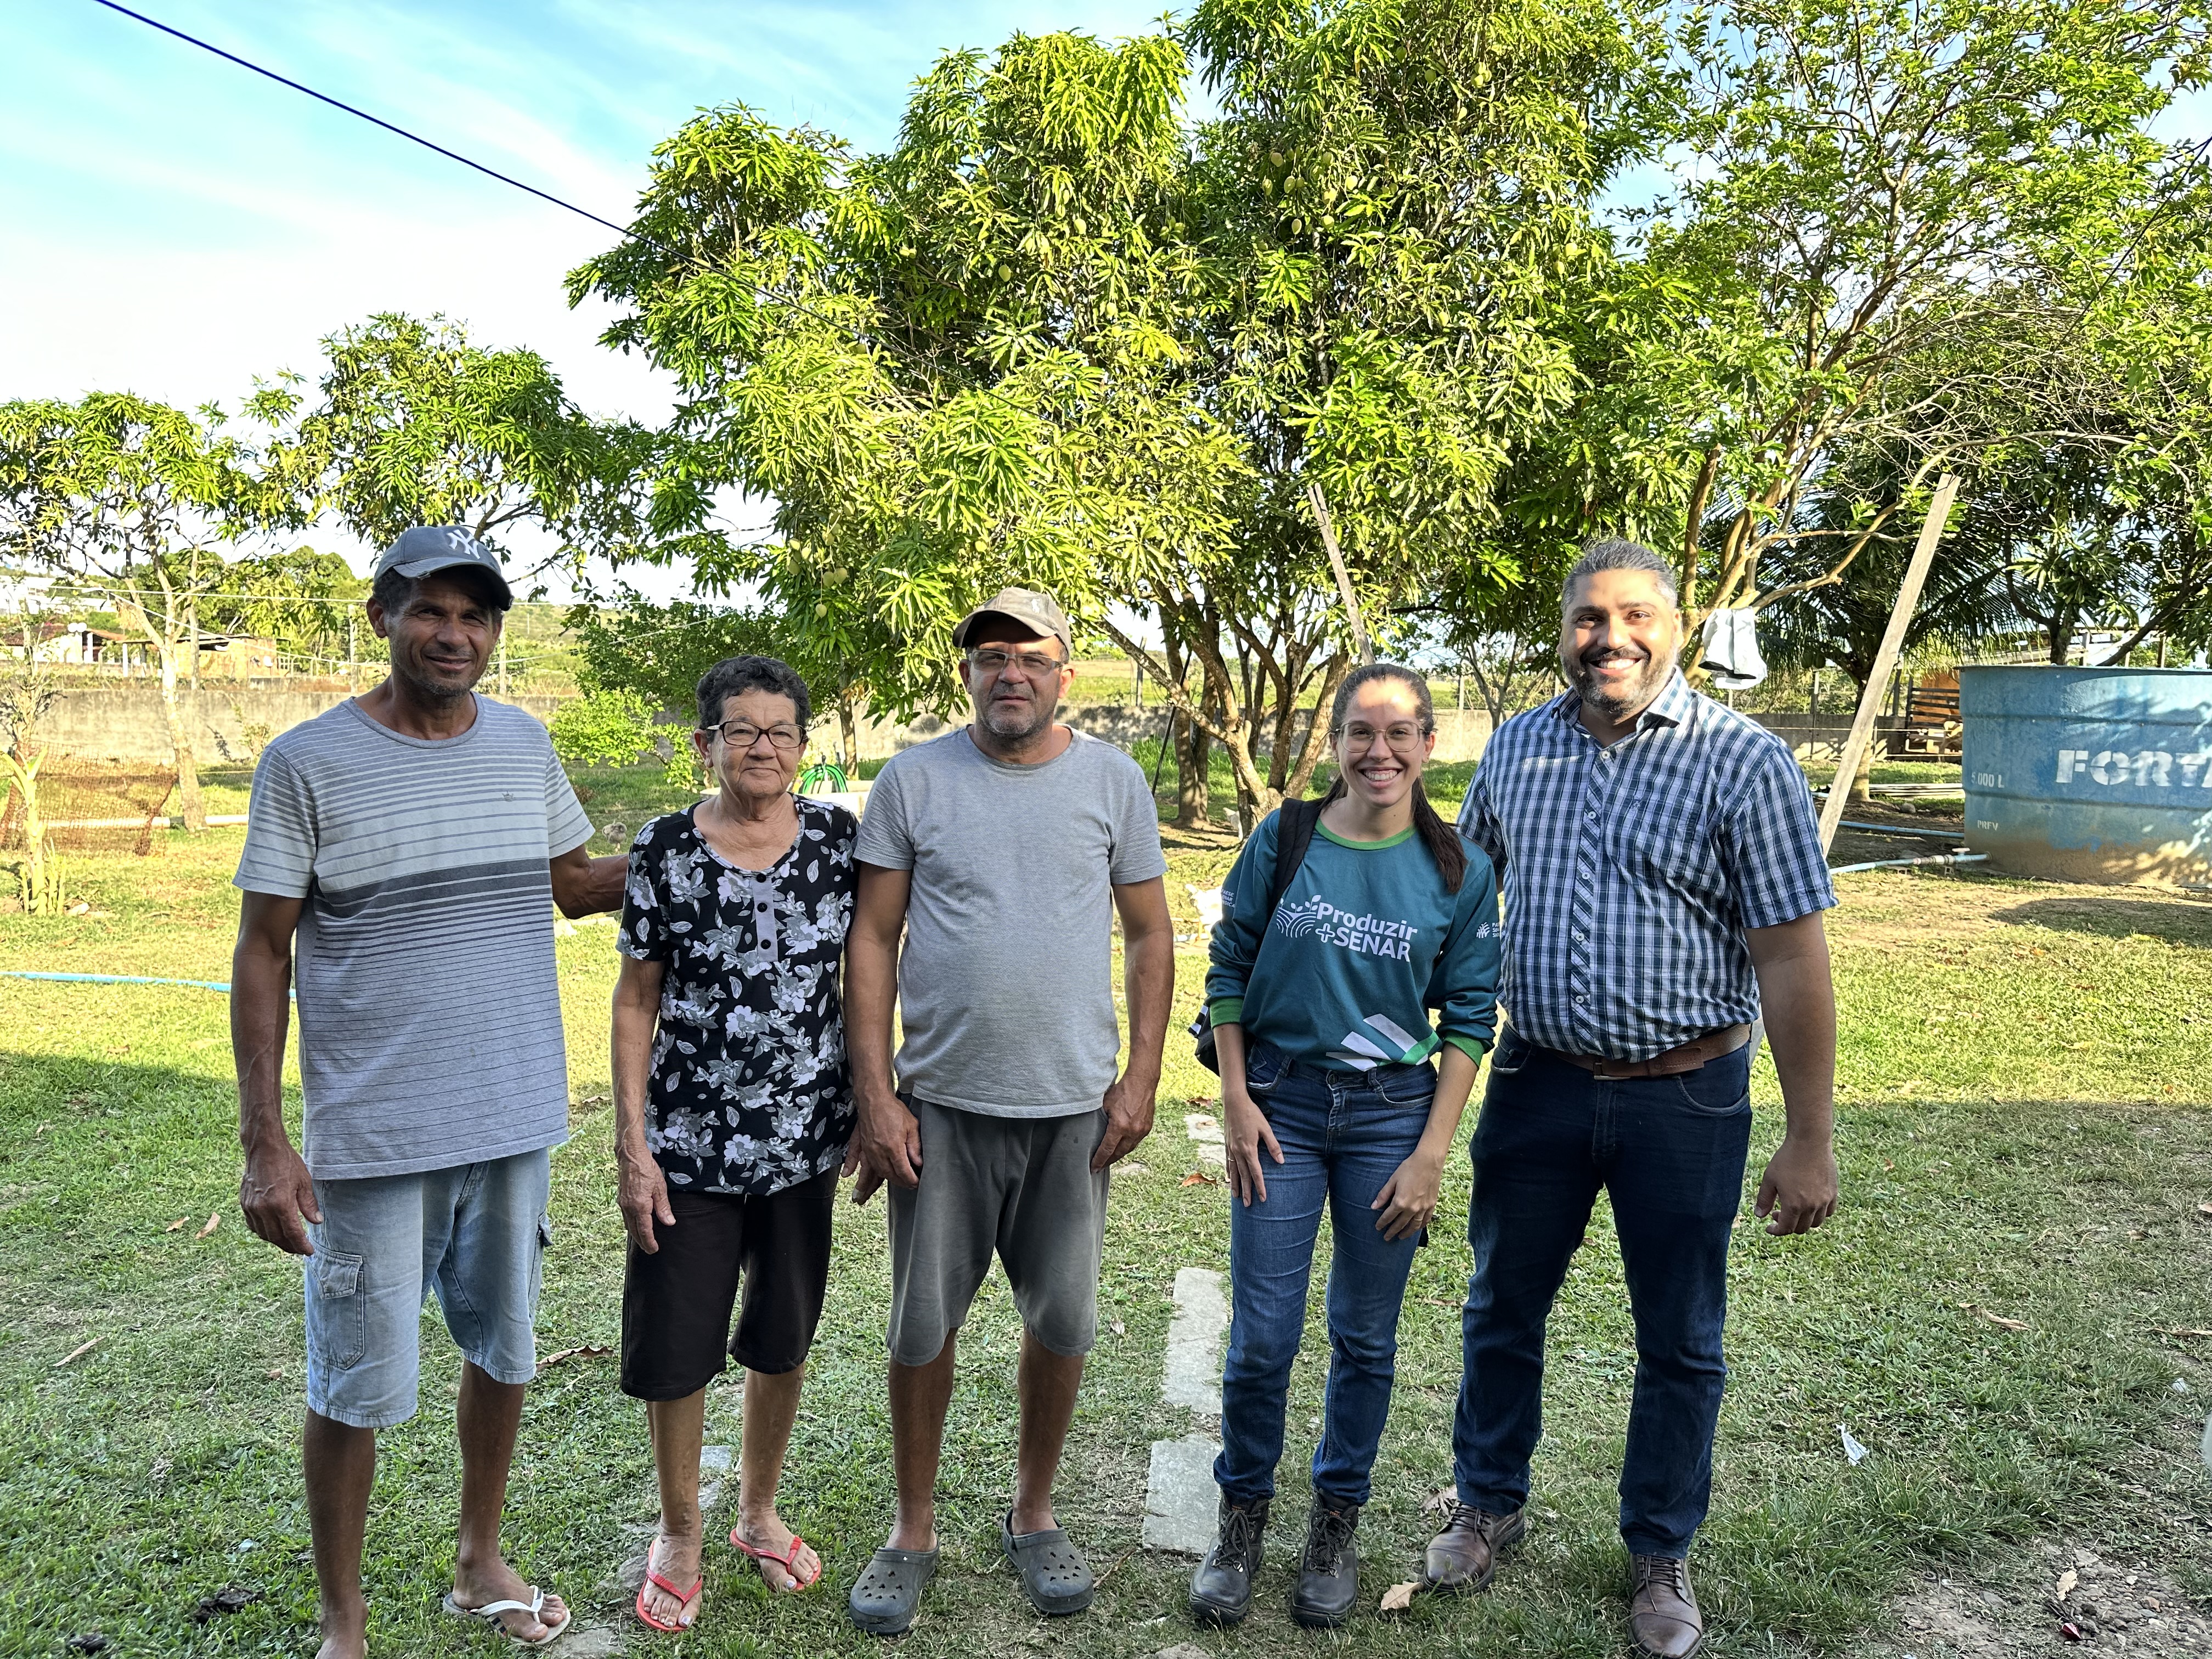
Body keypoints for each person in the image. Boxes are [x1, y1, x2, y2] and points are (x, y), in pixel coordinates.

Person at [1429, 538, 1840, 1659]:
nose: (1609, 637)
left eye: (1634, 616)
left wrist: (1811, 1138)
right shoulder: (1518, 750)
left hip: (1688, 1097)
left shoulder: (1743, 762)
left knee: (1682, 1338)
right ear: (1563, 632)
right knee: (1501, 1307)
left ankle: (1660, 1551)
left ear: (1678, 626)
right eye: (1587, 618)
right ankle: (1486, 1502)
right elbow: (1459, 912)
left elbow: (1795, 962)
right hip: (1537, 1087)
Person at [230, 526, 627, 1658]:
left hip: (512, 1118)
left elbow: (572, 885)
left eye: (476, 615)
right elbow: (263, 951)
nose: (455, 634)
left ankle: (477, 1559)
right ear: (382, 618)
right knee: (355, 1380)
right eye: (431, 611)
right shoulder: (307, 763)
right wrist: (266, 1142)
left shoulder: (521, 745)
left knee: (503, 1349)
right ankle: (343, 1622)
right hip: (376, 1135)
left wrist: (718, 842)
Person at [840, 586, 1175, 1637]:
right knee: (923, 1325)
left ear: (1065, 673)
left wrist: (1142, 1079)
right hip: (940, 1109)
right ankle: (913, 1527)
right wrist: (877, 1092)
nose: (1010, 674)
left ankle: (1034, 1513)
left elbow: (1151, 937)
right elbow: (873, 940)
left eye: (1029, 657)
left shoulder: (1113, 783)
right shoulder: (914, 779)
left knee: (1064, 1322)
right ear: (968, 674)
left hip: (1075, 1111)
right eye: (990, 658)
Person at [1192, 662, 1502, 1630]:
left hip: (1391, 1119)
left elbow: (1470, 1022)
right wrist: (1237, 1099)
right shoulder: (1285, 839)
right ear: (1334, 743)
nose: (1382, 751)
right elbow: (1230, 967)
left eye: (1402, 732)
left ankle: (1336, 1522)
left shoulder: (1457, 868)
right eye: (1361, 733)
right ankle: (1241, 1518)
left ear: (1428, 745)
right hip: (1279, 1105)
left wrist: (1431, 1152)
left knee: (1365, 1339)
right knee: (1264, 1338)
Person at [611, 654, 859, 1630]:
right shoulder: (666, 847)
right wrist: (634, 1147)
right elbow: (637, 999)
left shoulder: (840, 841)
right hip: (689, 1147)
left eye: (782, 731)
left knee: (782, 1333)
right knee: (679, 1346)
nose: (764, 747)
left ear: (804, 748)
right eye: (742, 730)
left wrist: (876, 1107)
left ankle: (756, 1511)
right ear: (705, 742)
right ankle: (679, 1529)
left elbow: (875, 969)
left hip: (805, 1144)